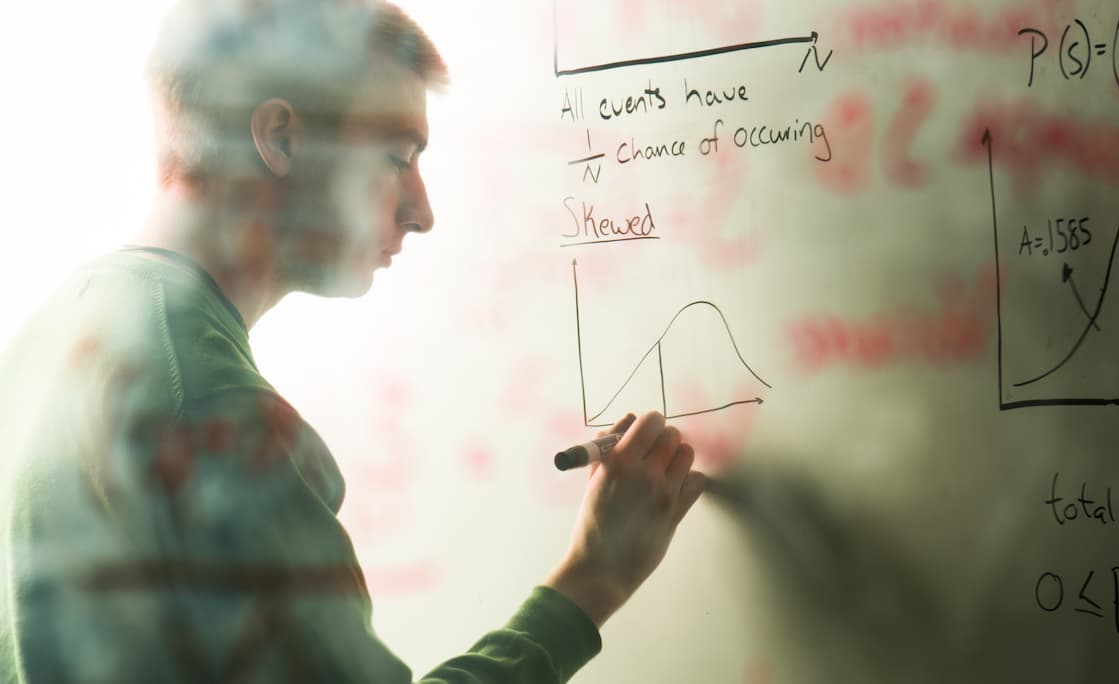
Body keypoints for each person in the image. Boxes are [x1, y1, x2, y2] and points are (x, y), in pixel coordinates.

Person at [0, 1, 708, 682]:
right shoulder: (220, 414)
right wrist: (593, 580)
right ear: (279, 137)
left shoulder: (52, 335)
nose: (422, 212)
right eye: (398, 156)